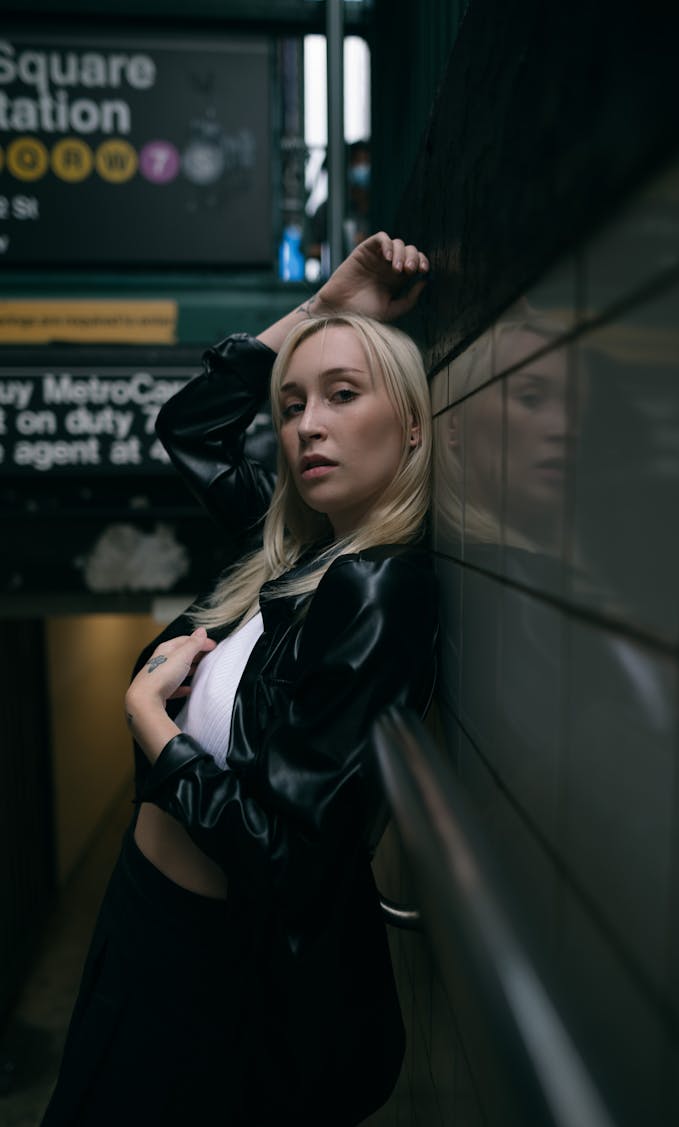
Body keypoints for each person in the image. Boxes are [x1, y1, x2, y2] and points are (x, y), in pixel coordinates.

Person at [42, 233, 436, 1127]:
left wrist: (152, 720)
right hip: (144, 915)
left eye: (342, 395)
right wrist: (327, 305)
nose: (307, 427)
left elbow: (285, 854)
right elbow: (189, 425)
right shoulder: (299, 543)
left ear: (412, 423)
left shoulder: (376, 588)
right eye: (292, 405)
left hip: (209, 966)